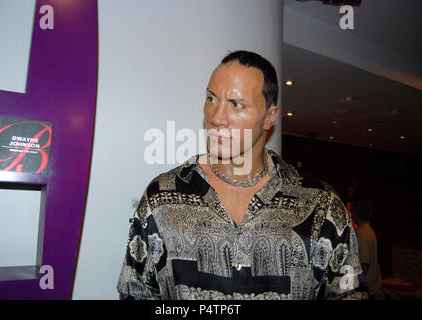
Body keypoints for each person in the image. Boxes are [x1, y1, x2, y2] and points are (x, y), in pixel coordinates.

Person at [116, 50, 368, 300]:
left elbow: (349, 294)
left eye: (236, 104)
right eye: (211, 99)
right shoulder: (162, 197)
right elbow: (134, 291)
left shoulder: (320, 205)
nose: (216, 117)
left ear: (270, 117)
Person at [351, 201, 384, 299]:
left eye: (353, 213)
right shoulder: (368, 230)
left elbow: (365, 263)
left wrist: (356, 281)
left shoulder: (362, 234)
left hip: (367, 283)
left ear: (356, 215)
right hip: (373, 281)